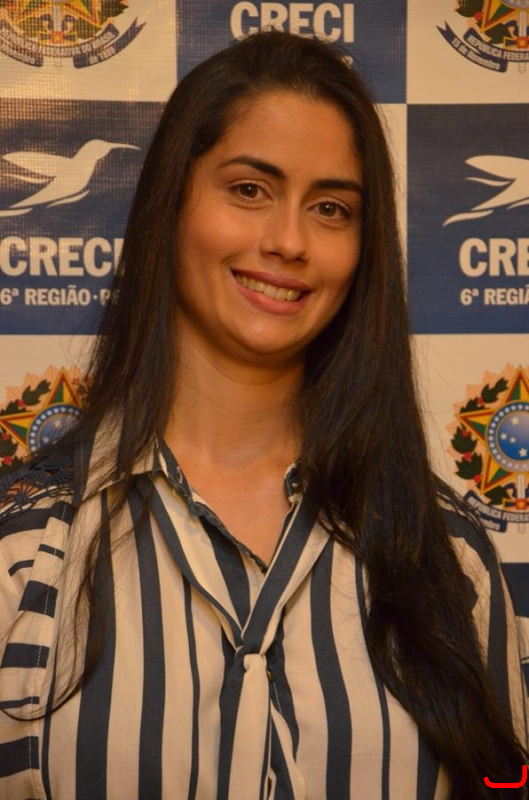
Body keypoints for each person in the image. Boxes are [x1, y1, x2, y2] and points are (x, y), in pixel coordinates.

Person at [0, 31, 526, 800]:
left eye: (331, 208)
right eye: (249, 190)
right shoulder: (23, 543)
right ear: (170, 205)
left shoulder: (447, 556)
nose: (288, 241)